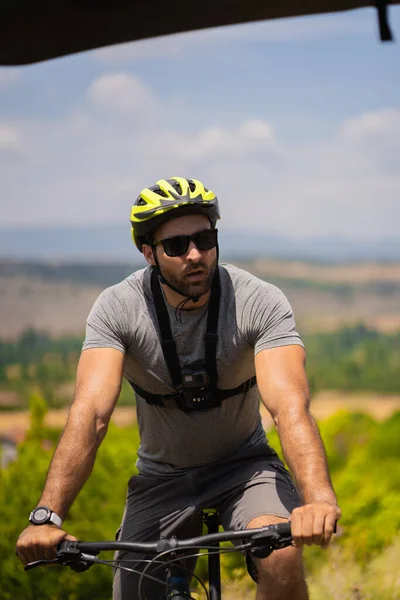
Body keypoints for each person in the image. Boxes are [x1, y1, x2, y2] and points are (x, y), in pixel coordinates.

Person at [16, 176, 341, 599]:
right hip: (161, 478)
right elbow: (91, 413)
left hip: (245, 468)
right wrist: (47, 515)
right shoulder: (117, 309)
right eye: (176, 246)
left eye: (205, 239)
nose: (194, 255)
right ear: (148, 253)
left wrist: (317, 499)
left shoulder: (259, 300)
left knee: (281, 557)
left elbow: (290, 407)